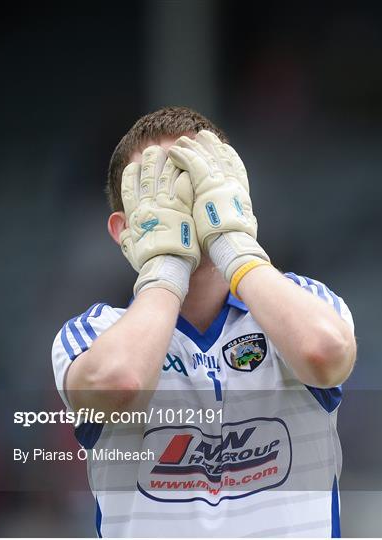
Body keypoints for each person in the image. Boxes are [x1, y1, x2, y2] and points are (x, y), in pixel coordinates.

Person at [52, 106, 356, 537]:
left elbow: (325, 354)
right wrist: (167, 267)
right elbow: (117, 384)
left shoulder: (305, 299)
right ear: (122, 229)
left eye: (193, 182)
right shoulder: (92, 334)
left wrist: (233, 246)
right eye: (158, 190)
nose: (183, 206)